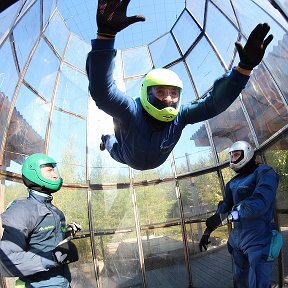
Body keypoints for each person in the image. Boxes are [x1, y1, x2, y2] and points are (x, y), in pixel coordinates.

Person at [86, 0, 273, 170]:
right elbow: (103, 93)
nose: (168, 98)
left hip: (147, 157)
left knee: (118, 149)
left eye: (174, 93)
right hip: (126, 155)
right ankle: (106, 138)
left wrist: (244, 69)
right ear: (146, 93)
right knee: (113, 147)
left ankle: (109, 140)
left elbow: (214, 104)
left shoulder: (180, 116)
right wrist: (105, 36)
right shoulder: (131, 110)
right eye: (160, 92)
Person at [199, 141, 280, 288]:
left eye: (236, 154)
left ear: (247, 153)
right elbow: (223, 208)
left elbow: (260, 203)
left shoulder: (265, 172)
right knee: (240, 280)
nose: (233, 159)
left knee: (259, 283)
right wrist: (207, 231)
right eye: (231, 155)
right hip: (237, 240)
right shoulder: (232, 183)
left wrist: (229, 216)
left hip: (259, 239)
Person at [0, 153, 81, 288]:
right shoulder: (21, 210)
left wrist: (66, 230)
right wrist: (52, 258)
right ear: (34, 173)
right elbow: (5, 260)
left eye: (54, 170)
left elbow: (46, 237)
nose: (55, 175)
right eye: (49, 170)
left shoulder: (55, 211)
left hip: (64, 283)